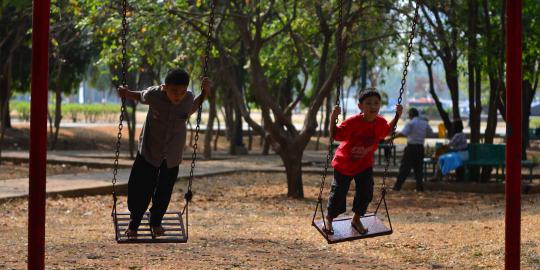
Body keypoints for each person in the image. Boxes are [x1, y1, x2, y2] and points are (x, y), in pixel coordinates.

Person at [117, 68, 211, 238]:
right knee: (140, 188)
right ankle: (134, 223)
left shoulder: (188, 98)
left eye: (182, 91)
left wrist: (205, 92)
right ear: (164, 87)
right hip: (148, 151)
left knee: (164, 191)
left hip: (172, 154)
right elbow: (140, 96)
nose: (178, 95)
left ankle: (156, 222)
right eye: (174, 91)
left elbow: (192, 107)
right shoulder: (154, 94)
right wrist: (126, 93)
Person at [325, 89, 403, 235]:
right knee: (339, 192)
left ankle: (356, 219)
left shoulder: (380, 122)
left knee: (366, 191)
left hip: (364, 164)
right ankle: (329, 219)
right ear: (360, 106)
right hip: (344, 163)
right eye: (368, 103)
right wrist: (333, 118)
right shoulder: (352, 122)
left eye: (376, 103)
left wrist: (397, 116)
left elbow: (386, 131)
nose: (373, 106)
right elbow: (335, 135)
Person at [392, 107, 434, 192]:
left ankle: (397, 187)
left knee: (405, 168)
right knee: (419, 168)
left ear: (411, 114)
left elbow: (403, 133)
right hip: (420, 147)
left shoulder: (411, 123)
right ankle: (419, 188)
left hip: (411, 147)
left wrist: (391, 138)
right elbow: (431, 133)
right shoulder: (424, 123)